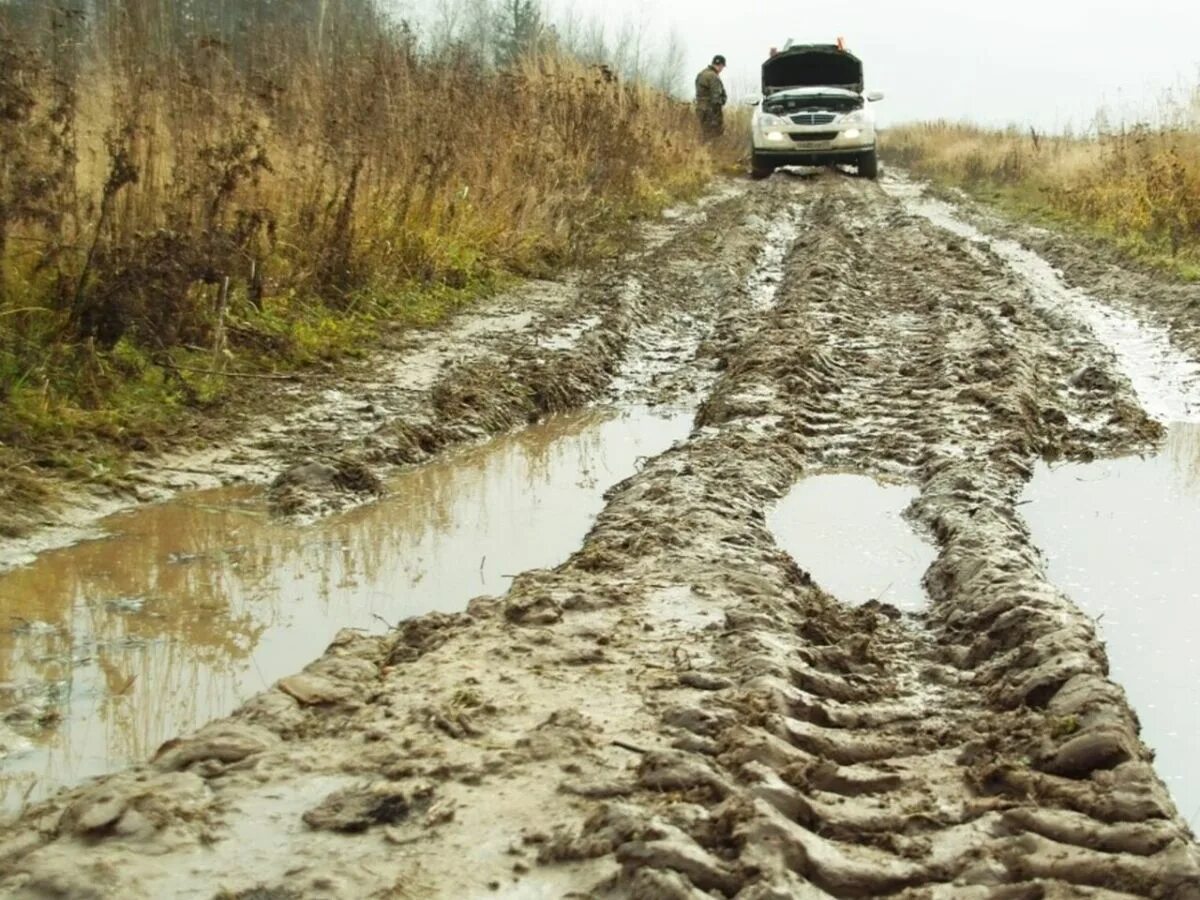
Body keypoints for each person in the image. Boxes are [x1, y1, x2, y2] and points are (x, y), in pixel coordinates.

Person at [694, 54, 727, 141]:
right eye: (722, 67)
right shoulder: (713, 77)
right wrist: (717, 114)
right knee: (712, 136)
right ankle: (710, 153)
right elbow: (716, 97)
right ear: (720, 66)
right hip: (710, 110)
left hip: (700, 108)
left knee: (701, 134)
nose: (722, 69)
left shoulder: (701, 74)